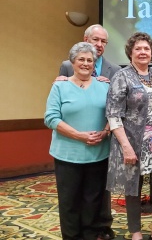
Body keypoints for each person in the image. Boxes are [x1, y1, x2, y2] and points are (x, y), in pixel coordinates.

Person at [105, 32, 152, 240]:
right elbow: (113, 114)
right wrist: (126, 147)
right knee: (133, 188)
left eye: (146, 49)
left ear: (151, 53)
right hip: (132, 143)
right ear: (130, 52)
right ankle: (135, 232)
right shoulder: (122, 76)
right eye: (138, 48)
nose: (143, 52)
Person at [56, 24, 119, 240]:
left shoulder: (113, 72)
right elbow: (55, 113)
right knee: (71, 196)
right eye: (95, 40)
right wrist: (77, 135)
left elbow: (115, 109)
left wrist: (106, 131)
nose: (99, 45)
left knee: (98, 194)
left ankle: (100, 228)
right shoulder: (64, 72)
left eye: (103, 42)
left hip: (100, 146)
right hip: (70, 147)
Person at [44, 42, 111, 240]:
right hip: (67, 155)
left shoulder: (104, 86)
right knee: (69, 202)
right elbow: (51, 118)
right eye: (81, 59)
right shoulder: (60, 86)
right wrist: (79, 135)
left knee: (93, 200)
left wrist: (106, 132)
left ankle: (90, 235)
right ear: (72, 62)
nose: (85, 63)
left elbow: (113, 116)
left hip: (98, 154)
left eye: (90, 60)